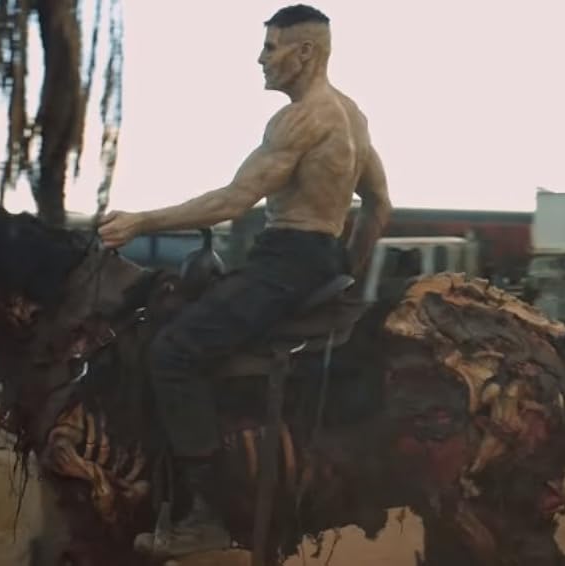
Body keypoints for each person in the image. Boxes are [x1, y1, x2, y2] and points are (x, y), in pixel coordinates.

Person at [98, 4, 392, 557]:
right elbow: (380, 204)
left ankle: (207, 513)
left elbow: (235, 200)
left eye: (271, 47)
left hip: (285, 262)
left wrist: (142, 221)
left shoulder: (300, 118)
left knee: (173, 352)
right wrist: (345, 271)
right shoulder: (353, 116)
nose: (261, 59)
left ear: (305, 52)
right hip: (319, 259)